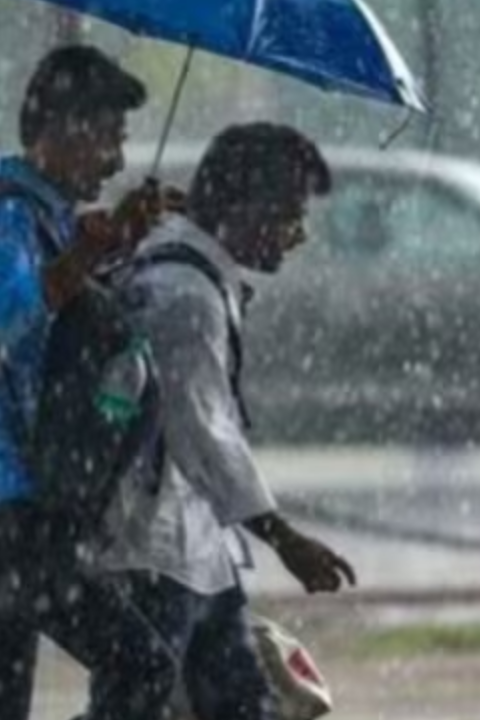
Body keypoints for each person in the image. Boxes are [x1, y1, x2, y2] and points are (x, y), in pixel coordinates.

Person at [0, 45, 179, 720]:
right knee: (141, 666)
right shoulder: (4, 214)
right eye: (109, 139)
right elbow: (9, 317)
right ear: (66, 129)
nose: (118, 161)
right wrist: (88, 253)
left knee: (0, 704)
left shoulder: (50, 221)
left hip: (17, 517)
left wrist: (119, 240)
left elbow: (74, 328)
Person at [98, 122, 356, 720]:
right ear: (244, 208)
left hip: (190, 547)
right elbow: (206, 435)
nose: (299, 234)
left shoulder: (176, 263)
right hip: (155, 547)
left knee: (233, 702)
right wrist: (284, 538)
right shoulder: (186, 297)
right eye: (290, 214)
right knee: (143, 703)